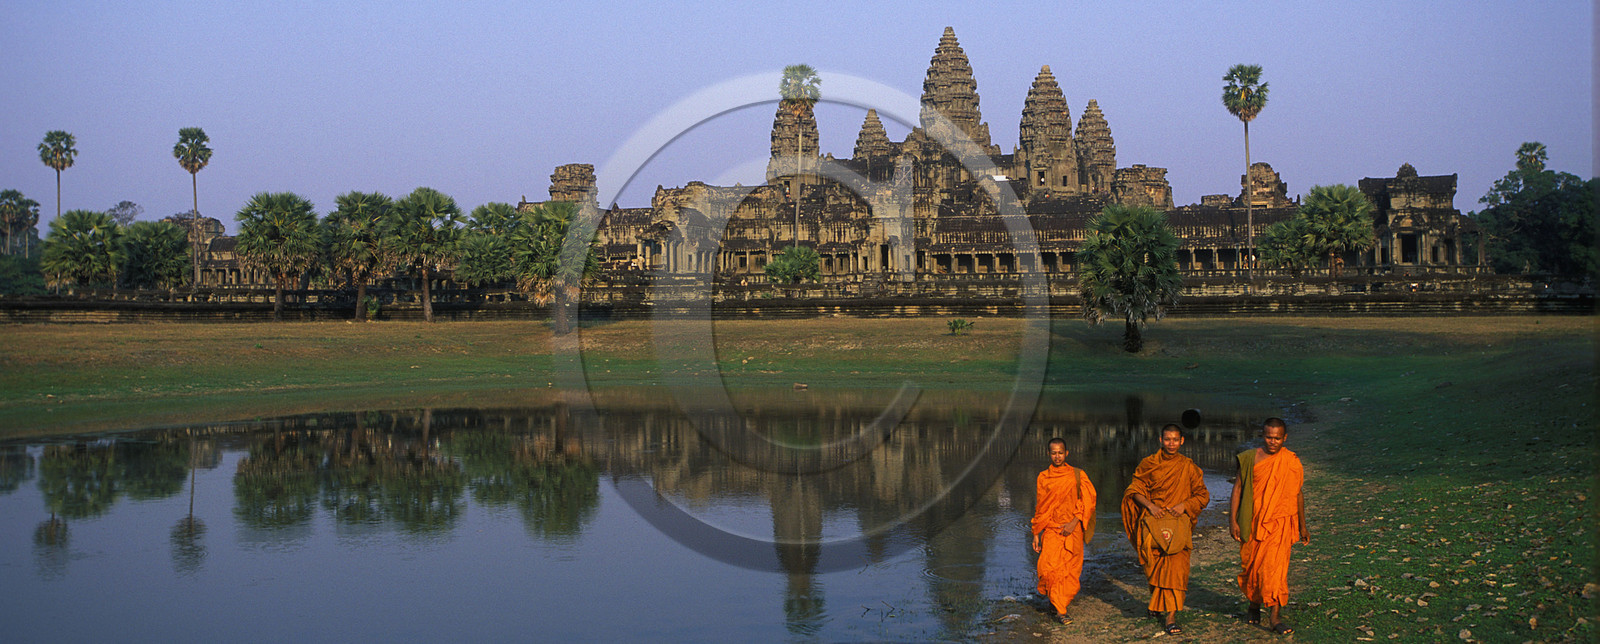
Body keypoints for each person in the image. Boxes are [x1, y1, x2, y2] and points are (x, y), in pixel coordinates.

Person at [1121, 424, 1210, 635]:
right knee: (1153, 565)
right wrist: (1150, 506)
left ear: (1182, 441)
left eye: (1175, 439)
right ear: (1160, 440)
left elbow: (1202, 495)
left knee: (1177, 569)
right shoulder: (1149, 464)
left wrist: (1184, 506)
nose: (1171, 443)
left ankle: (1171, 617)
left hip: (1179, 525)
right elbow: (1134, 490)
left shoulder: (1188, 467)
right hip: (1153, 522)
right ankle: (1157, 603)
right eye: (1167, 439)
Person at [1229, 417, 1310, 635]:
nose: (1272, 442)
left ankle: (1274, 617)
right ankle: (1254, 605)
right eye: (1268, 437)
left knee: (1275, 570)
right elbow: (1237, 488)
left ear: (1284, 438)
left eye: (1277, 438)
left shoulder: (1291, 461)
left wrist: (1303, 525)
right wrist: (1233, 520)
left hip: (1281, 523)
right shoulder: (1249, 458)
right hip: (1254, 522)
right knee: (1253, 567)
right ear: (1262, 435)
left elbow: (1297, 493)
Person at [1031, 437, 1097, 624]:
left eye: (1061, 452)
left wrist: (1074, 521)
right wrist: (1036, 533)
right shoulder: (1043, 477)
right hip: (1051, 529)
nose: (1057, 456)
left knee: (1069, 571)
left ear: (1066, 453)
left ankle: (1060, 610)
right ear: (1049, 454)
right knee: (1047, 568)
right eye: (1054, 453)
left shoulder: (1077, 474)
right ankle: (1056, 602)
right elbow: (1041, 506)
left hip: (1072, 529)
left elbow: (1088, 501)